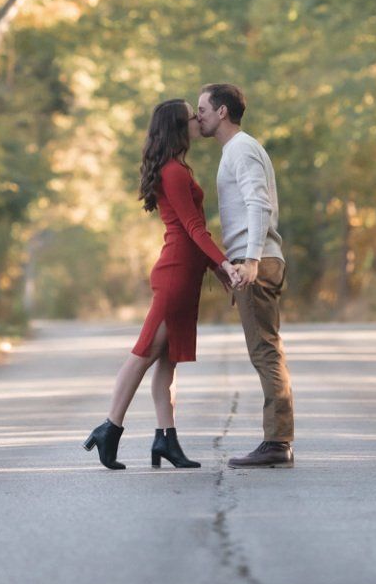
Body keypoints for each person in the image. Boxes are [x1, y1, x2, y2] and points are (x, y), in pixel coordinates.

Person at [85, 99, 237, 470]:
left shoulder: (177, 168)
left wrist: (215, 270)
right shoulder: (173, 172)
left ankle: (165, 439)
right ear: (177, 127)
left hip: (186, 272)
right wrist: (225, 264)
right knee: (144, 353)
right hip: (174, 274)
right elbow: (193, 228)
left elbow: (192, 229)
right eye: (191, 116)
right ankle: (109, 428)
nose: (197, 119)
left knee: (167, 360)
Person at [194, 82, 295, 469]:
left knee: (265, 351)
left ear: (222, 111)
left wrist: (250, 260)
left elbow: (259, 203)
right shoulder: (236, 150)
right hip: (254, 258)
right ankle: (279, 440)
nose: (198, 115)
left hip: (258, 261)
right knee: (267, 350)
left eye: (203, 108)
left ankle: (276, 442)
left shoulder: (240, 148)